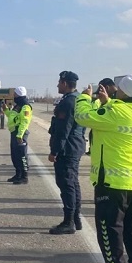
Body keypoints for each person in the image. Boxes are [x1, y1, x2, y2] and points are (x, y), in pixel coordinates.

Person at [74, 74, 132, 263]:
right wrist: (106, 102)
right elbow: (118, 118)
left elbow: (82, 117)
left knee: (109, 228)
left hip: (113, 181)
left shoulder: (115, 111)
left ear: (124, 92)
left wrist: (84, 98)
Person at [48, 71, 86, 234]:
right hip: (75, 145)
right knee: (73, 183)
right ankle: (75, 218)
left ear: (65, 83)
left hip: (67, 148)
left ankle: (69, 221)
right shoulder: (79, 99)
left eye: (59, 82)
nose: (57, 85)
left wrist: (55, 151)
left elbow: (63, 130)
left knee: (66, 184)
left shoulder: (68, 102)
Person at [3, 87, 33, 185]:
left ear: (19, 95)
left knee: (22, 155)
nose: (13, 96)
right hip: (14, 132)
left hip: (20, 133)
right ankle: (18, 174)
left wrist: (20, 135)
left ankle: (24, 177)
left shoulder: (25, 106)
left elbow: (25, 121)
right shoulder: (18, 106)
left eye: (15, 94)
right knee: (15, 155)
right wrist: (6, 110)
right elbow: (12, 116)